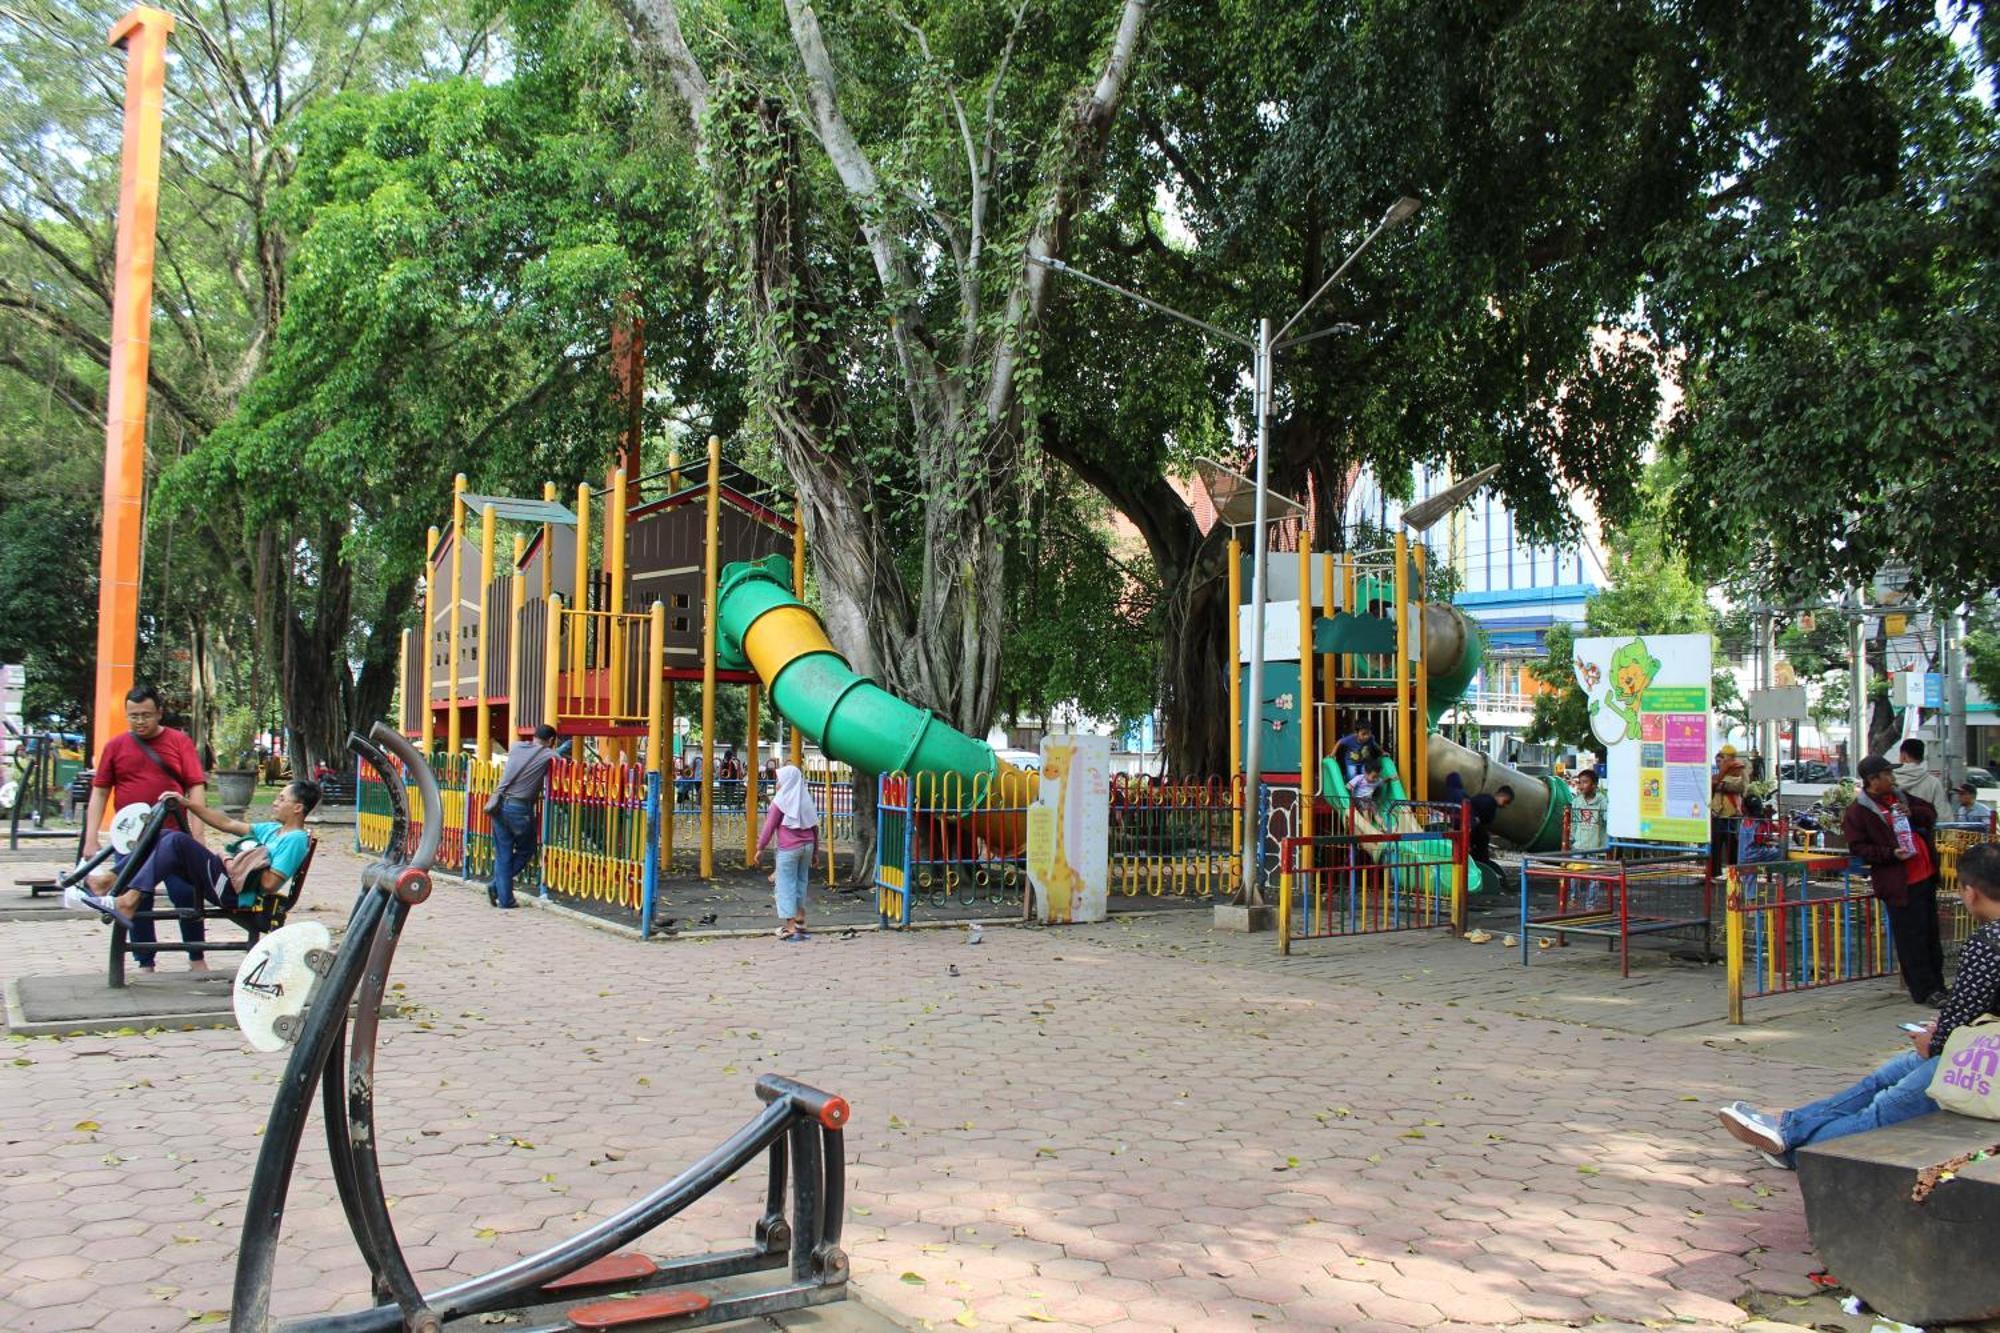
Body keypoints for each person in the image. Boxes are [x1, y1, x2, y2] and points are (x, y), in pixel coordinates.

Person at [1718, 843, 2000, 1167]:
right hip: (1977, 1044)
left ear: (1970, 892)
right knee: (1884, 1077)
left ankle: (1794, 1151)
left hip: (1981, 1061)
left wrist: (1934, 1041)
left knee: (1884, 1109)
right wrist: (1940, 1035)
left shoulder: (1989, 942)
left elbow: (1964, 1007)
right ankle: (1789, 1128)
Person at [66, 782, 319, 971]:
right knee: (165, 836)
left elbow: (270, 883)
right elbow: (227, 824)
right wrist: (187, 804)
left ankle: (125, 899)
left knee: (176, 840)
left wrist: (241, 861)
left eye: (281, 798)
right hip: (227, 877)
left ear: (297, 808)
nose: (275, 801)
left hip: (236, 892)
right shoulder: (274, 830)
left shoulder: (295, 840)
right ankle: (109, 882)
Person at [1843, 755, 1946, 1005]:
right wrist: (1891, 854)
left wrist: (1913, 812)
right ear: (1872, 780)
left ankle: (1939, 986)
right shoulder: (1859, 811)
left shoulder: (1901, 797)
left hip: (1925, 876)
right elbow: (1858, 847)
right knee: (1912, 940)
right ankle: (1924, 991)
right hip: (1900, 883)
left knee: (1931, 935)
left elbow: (1930, 812)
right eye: (1887, 773)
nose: (1892, 778)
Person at [82, 684, 208, 870]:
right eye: (134, 716)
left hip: (172, 833)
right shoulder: (115, 746)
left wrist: (198, 836)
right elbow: (100, 793)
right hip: (129, 834)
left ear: (159, 713)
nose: (140, 721)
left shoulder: (179, 742)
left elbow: (196, 787)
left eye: (146, 715)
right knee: (131, 892)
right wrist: (90, 838)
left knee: (185, 892)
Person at [488, 724, 561, 910]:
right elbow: (560, 759)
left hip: (498, 805)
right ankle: (497, 885)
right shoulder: (549, 755)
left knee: (503, 853)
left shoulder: (515, 747)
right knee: (526, 849)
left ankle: (505, 898)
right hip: (519, 809)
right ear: (551, 741)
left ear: (534, 735)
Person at [756, 764, 820, 940]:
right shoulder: (805, 798)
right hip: (807, 846)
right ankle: (801, 919)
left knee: (785, 886)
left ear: (787, 781)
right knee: (801, 882)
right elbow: (814, 827)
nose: (777, 782)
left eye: (779, 779)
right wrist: (815, 852)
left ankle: (790, 927)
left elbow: (769, 827)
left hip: (789, 849)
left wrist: (760, 848)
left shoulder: (780, 801)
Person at [1567, 769, 1609, 910]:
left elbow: (1606, 819)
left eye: (1585, 782)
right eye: (1580, 782)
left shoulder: (1602, 800)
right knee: (1574, 873)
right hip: (1579, 844)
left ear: (1594, 785)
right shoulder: (1577, 801)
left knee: (1594, 877)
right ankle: (1574, 898)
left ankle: (1590, 904)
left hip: (1596, 846)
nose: (1581, 786)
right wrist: (1571, 839)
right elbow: (1573, 823)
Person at [1708, 745, 1747, 877]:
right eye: (1719, 760)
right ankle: (1715, 873)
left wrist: (1721, 786)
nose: (1721, 763)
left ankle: (1733, 873)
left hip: (1732, 814)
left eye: (1723, 758)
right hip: (1718, 813)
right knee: (1716, 845)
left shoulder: (1738, 769)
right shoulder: (1718, 776)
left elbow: (1741, 787)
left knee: (1732, 845)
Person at [1468, 784, 1514, 894]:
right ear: (1502, 796)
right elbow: (1473, 822)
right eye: (1506, 802)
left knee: (1481, 851)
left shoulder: (1486, 801)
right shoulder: (1487, 803)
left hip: (1476, 835)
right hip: (1474, 836)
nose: (1505, 805)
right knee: (1480, 853)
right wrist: (1469, 841)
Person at [1348, 755, 1384, 824]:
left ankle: (1382, 825)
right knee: (1365, 808)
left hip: (1369, 799)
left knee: (1374, 807)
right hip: (1358, 799)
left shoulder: (1377, 780)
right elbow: (1348, 786)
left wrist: (1390, 778)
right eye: (1373, 777)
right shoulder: (1360, 778)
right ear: (1365, 773)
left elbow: (1383, 781)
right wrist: (1350, 790)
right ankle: (1368, 823)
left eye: (1377, 776)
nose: (1376, 779)